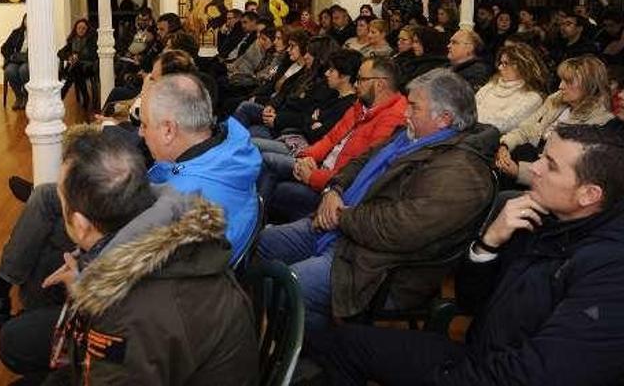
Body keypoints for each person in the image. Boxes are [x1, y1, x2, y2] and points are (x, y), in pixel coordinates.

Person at [311, 124, 624, 386]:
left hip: (498, 375)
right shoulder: (537, 217)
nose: (535, 168)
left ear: (589, 194)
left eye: (551, 165)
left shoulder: (611, 270)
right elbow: (470, 302)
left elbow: (538, 374)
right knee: (342, 344)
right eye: (542, 156)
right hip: (480, 356)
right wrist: (488, 244)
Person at [0, 74, 260, 322]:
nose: (141, 133)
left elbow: (140, 267)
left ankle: (34, 323)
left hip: (151, 292)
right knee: (49, 199)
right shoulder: (224, 151)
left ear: (170, 130)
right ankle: (2, 293)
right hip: (150, 251)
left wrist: (85, 264)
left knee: (48, 230)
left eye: (144, 124)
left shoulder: (195, 191)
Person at [258, 69, 497, 332]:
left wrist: (340, 215)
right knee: (261, 246)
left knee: (278, 288)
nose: (405, 113)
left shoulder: (463, 173)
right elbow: (360, 161)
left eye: (414, 107)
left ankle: (328, 353)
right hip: (341, 230)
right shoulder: (410, 136)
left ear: (444, 119)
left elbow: (399, 228)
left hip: (375, 266)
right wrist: (333, 191)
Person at [31, 128, 258, 385]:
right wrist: (85, 282)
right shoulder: (173, 223)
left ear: (81, 225)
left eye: (61, 201)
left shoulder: (123, 313)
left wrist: (88, 290)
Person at [258, 56, 407, 223]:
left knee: (271, 171)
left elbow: (359, 172)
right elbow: (329, 139)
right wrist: (307, 157)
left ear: (380, 84)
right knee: (266, 160)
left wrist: (314, 177)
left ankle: (254, 226)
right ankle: (256, 222)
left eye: (361, 79)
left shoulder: (393, 119)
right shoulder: (361, 105)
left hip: (333, 188)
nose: (356, 84)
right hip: (319, 169)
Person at [496, 56, 614, 186]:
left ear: (589, 86)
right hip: (529, 162)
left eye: (568, 82)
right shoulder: (556, 99)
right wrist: (505, 146)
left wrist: (519, 172)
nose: (560, 86)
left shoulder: (599, 122)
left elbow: (567, 174)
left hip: (549, 183)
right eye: (562, 80)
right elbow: (526, 129)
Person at [476, 43, 546, 134]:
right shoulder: (492, 84)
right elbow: (469, 108)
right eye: (500, 63)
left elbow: (502, 124)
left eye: (505, 64)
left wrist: (475, 116)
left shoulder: (533, 98)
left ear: (522, 66)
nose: (500, 67)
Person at [58, 18, 99, 116]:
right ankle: (85, 97)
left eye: (84, 28)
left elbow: (93, 55)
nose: (81, 30)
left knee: (75, 70)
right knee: (76, 70)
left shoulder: (91, 40)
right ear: (75, 29)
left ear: (87, 30)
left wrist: (78, 57)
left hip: (88, 68)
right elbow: (60, 53)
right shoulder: (72, 40)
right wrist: (69, 57)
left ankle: (61, 96)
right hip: (75, 69)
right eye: (79, 28)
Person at [1, 14, 29, 110]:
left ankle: (27, 96)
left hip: (29, 61)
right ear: (23, 21)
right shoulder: (17, 32)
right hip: (16, 60)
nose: (28, 22)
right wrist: (11, 56)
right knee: (9, 71)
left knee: (24, 70)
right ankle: (19, 96)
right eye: (26, 19)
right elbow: (4, 48)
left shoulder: (38, 35)